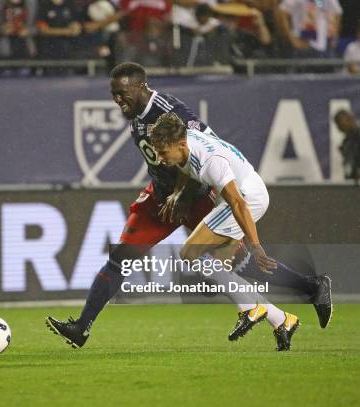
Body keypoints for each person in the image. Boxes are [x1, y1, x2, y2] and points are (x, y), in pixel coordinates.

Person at [45, 62, 332, 349]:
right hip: (160, 199)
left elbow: (209, 148)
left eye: (122, 93)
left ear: (141, 87)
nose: (118, 100)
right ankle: (81, 327)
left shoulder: (170, 111)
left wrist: (185, 194)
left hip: (194, 198)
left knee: (240, 263)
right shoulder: (135, 114)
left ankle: (309, 288)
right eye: (114, 94)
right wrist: (169, 193)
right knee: (121, 256)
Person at [150, 112, 303, 350]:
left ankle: (250, 308)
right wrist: (179, 192)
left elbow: (238, 203)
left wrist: (255, 245)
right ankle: (282, 320)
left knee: (189, 253)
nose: (159, 158)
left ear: (180, 144)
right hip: (241, 194)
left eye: (163, 152)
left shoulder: (211, 161)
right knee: (220, 269)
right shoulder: (184, 141)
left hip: (247, 198)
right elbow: (185, 168)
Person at [334, 109, 360, 185]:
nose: (349, 122)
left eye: (349, 119)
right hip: (351, 186)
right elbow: (349, 166)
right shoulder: (346, 143)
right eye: (339, 123)